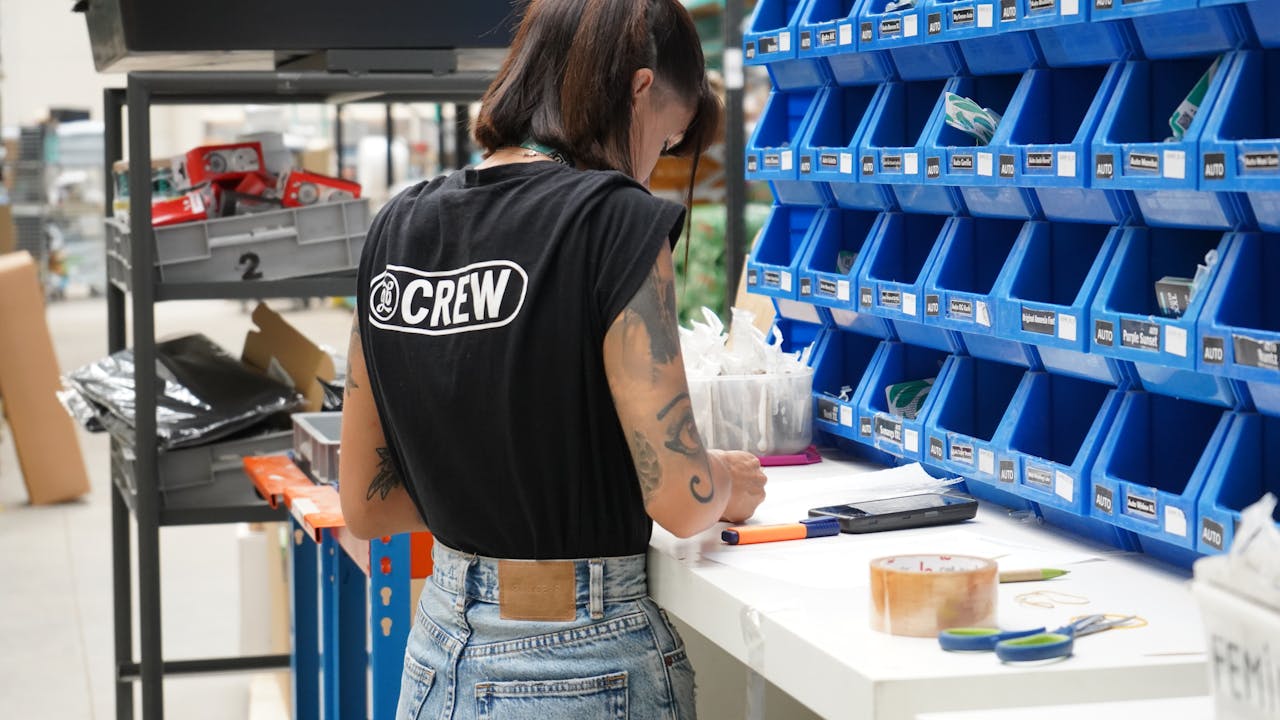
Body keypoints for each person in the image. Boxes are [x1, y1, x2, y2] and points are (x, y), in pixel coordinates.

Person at [338, 0, 768, 717]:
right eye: (667, 141)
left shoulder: (397, 226)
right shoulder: (616, 218)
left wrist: (494, 496)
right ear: (638, 89)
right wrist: (728, 481)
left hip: (438, 658)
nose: (656, 166)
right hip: (580, 664)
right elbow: (682, 498)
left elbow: (368, 504)